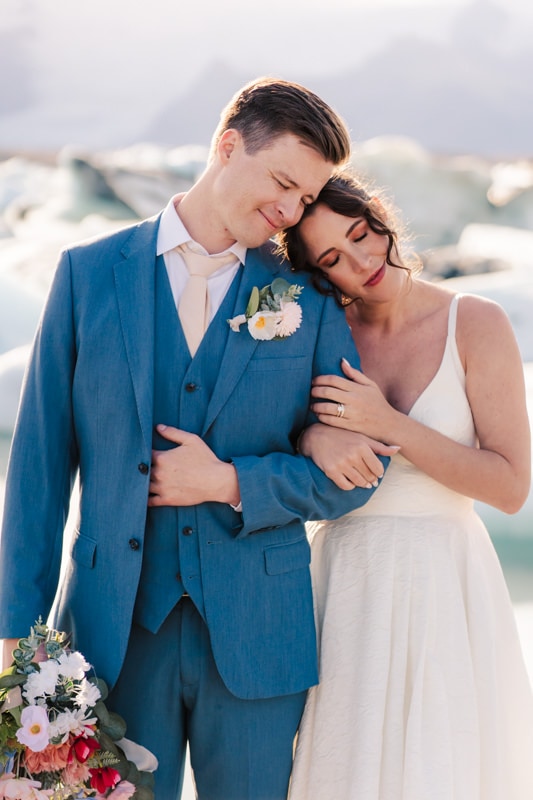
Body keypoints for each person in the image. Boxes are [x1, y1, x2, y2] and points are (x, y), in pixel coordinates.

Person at [0, 79, 396, 800]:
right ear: (225, 146)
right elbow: (37, 478)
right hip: (110, 637)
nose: (288, 210)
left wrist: (231, 482)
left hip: (257, 641)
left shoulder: (306, 300)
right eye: (281, 181)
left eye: (304, 199)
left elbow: (359, 475)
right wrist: (17, 645)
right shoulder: (87, 275)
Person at [278, 170, 533, 800]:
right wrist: (312, 437)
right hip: (345, 581)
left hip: (446, 579)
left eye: (363, 234)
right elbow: (277, 438)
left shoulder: (474, 322)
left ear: (381, 217)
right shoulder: (319, 333)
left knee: (440, 768)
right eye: (334, 258)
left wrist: (389, 425)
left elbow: (510, 486)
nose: (362, 261)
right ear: (318, 274)